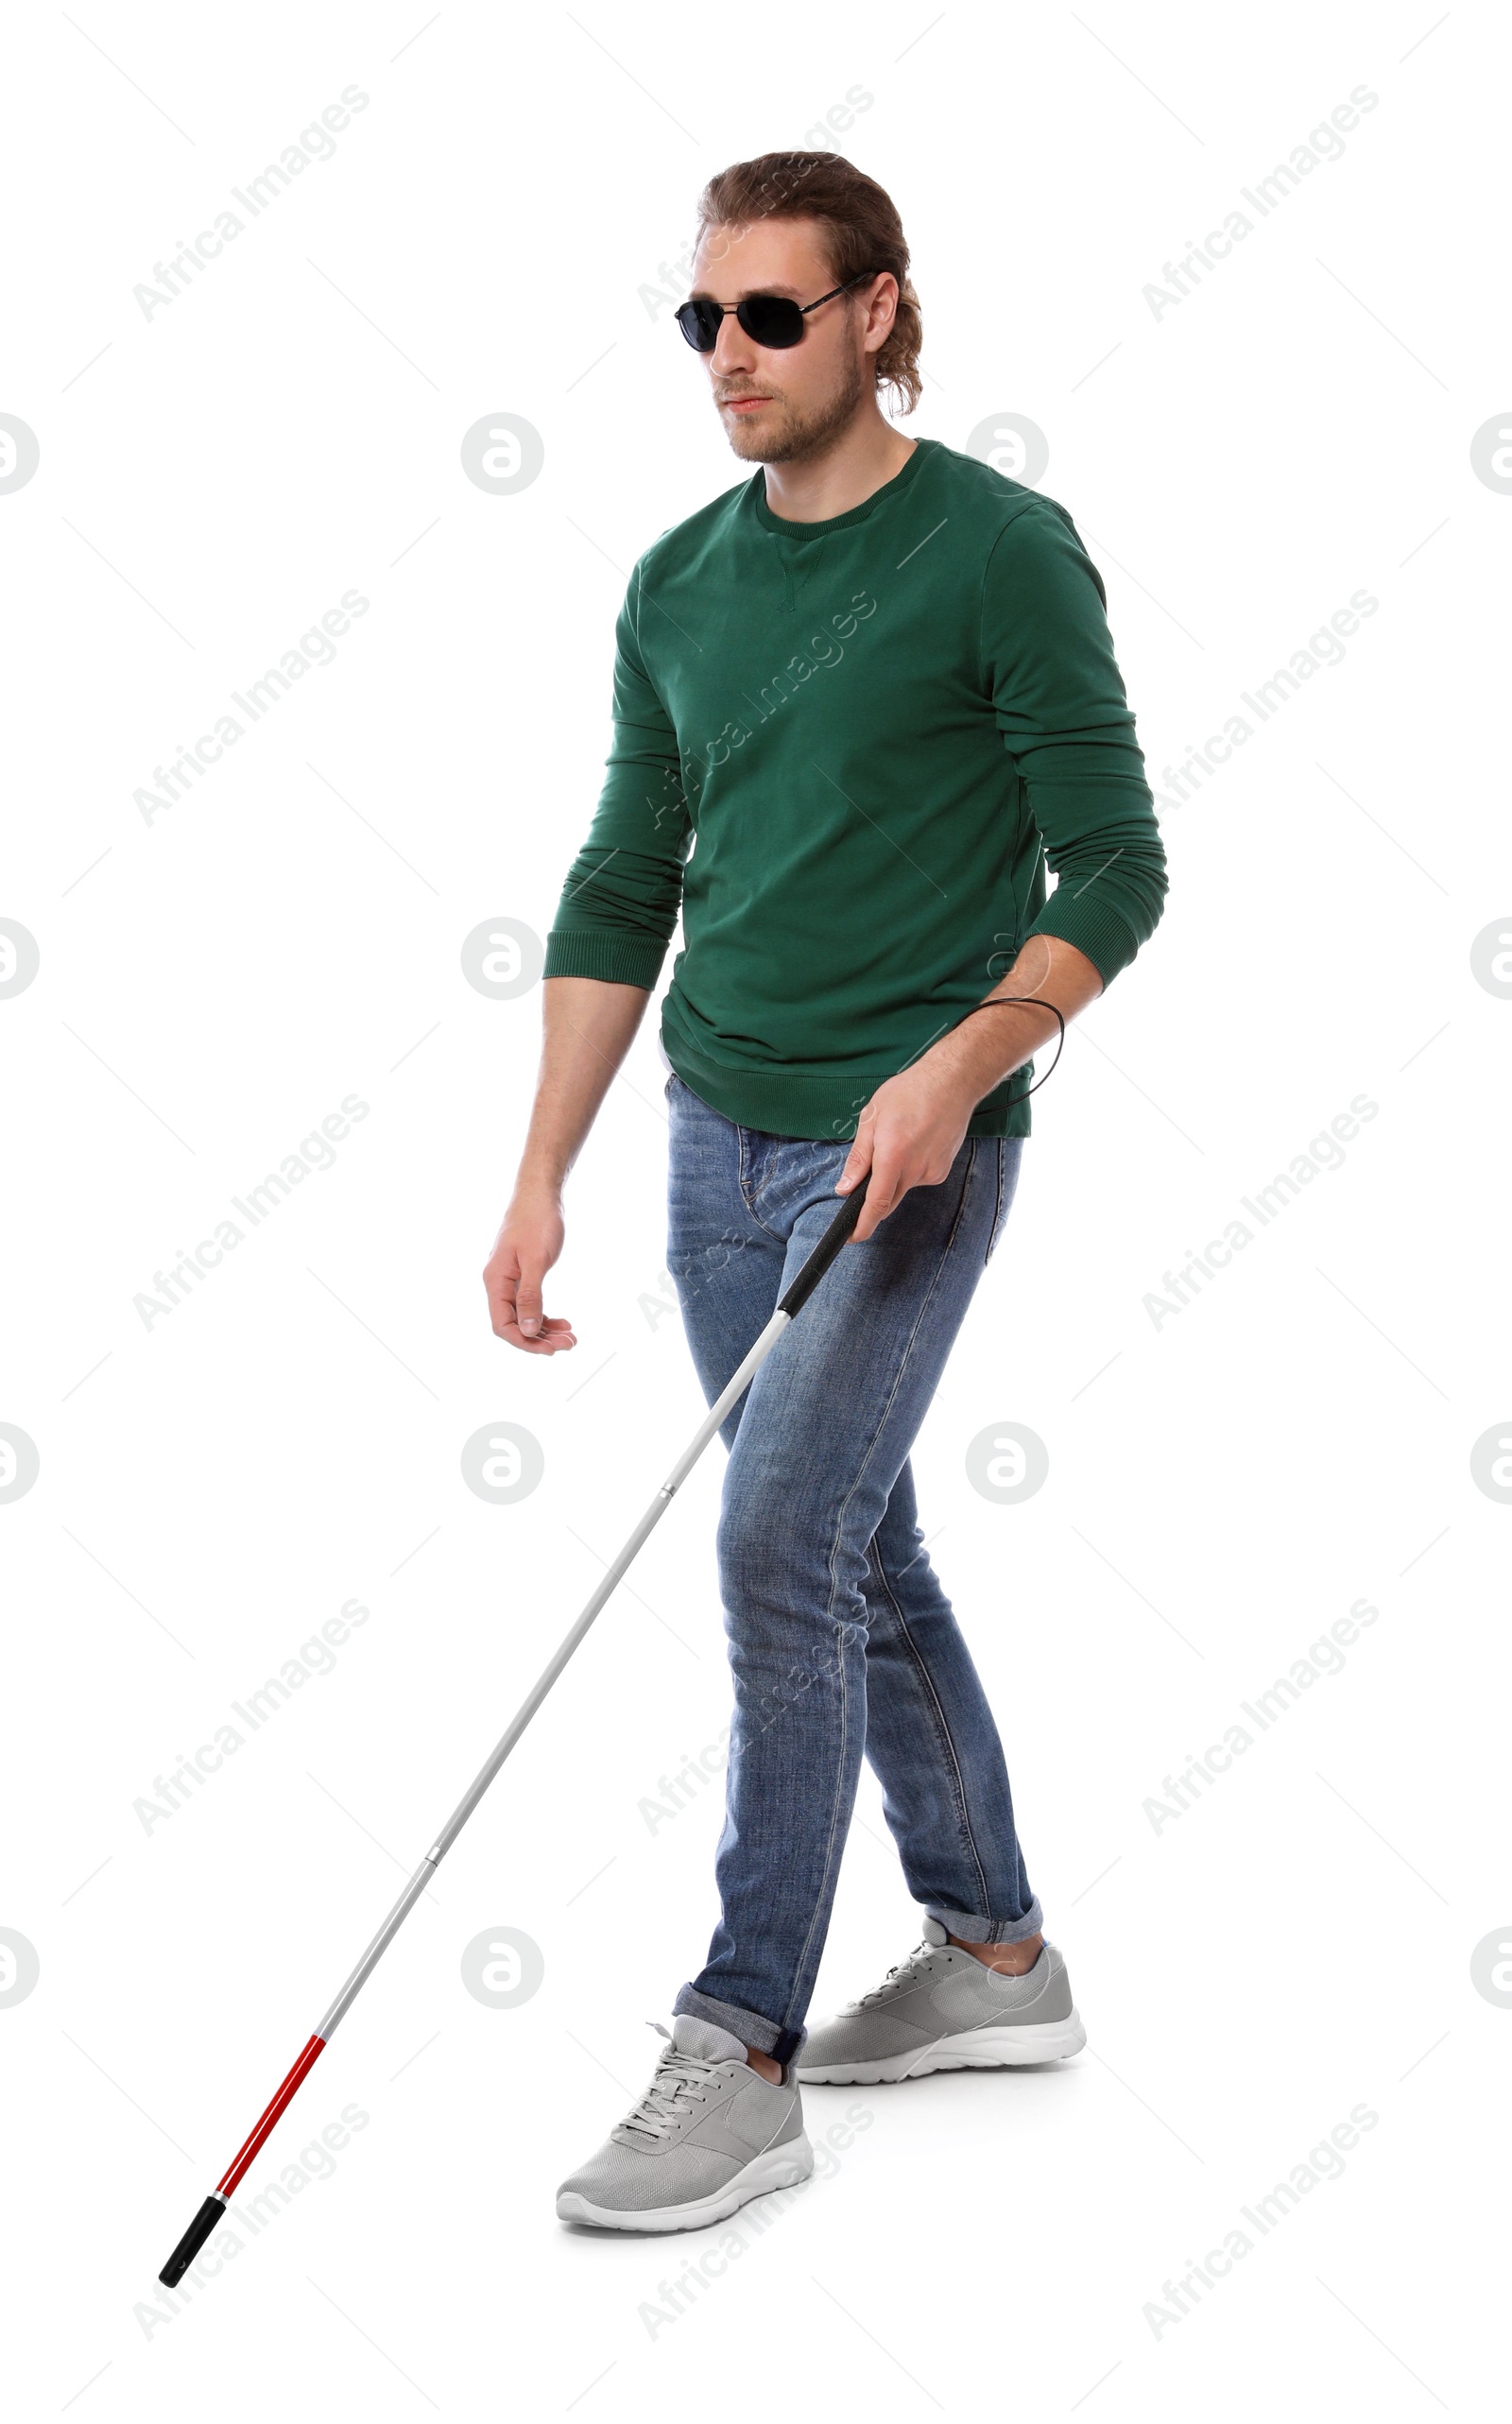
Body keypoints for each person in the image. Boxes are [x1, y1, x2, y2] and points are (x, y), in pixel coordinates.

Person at [484, 149, 1168, 2234]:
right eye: (701, 320)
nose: (727, 357)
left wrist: (960, 1064)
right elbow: (623, 879)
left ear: (877, 311)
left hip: (910, 1150)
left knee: (780, 1539)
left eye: (769, 314)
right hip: (718, 1135)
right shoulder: (678, 580)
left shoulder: (994, 551)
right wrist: (537, 1177)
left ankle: (740, 2044)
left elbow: (1115, 863)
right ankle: (991, 1956)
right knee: (855, 1552)